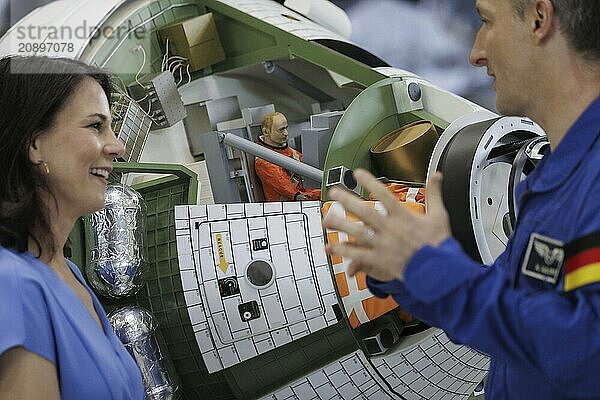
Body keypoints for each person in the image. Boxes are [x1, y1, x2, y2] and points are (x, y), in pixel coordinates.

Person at [323, 0, 600, 398]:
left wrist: (436, 271)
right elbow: (511, 305)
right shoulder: (560, 176)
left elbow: (587, 354)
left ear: (540, 19)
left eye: (486, 22)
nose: (476, 53)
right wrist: (405, 268)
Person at [0, 56, 144, 399]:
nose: (117, 147)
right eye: (96, 126)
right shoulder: (13, 284)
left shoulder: (70, 274)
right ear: (34, 143)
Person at [255, 111, 321, 201]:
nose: (286, 133)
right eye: (281, 130)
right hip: (286, 206)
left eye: (286, 128)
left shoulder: (291, 152)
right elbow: (283, 184)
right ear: (266, 132)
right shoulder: (264, 161)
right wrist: (297, 195)